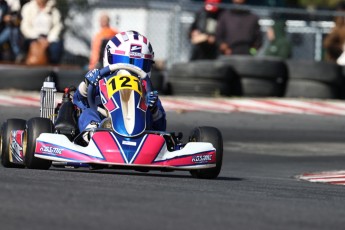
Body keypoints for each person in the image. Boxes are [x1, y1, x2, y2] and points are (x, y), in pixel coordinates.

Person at [73, 31, 166, 141]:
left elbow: (161, 127)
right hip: (104, 125)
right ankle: (93, 136)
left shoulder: (147, 90)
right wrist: (86, 84)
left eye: (139, 64)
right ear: (109, 58)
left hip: (140, 132)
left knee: (149, 115)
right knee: (88, 113)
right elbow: (78, 101)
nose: (130, 68)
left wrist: (153, 108)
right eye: (124, 61)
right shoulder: (101, 81)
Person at [20, 0, 63, 64]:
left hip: (49, 38)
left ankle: (52, 70)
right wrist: (38, 38)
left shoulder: (54, 10)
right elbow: (25, 26)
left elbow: (57, 26)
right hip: (32, 36)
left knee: (56, 48)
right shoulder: (27, 8)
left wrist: (49, 39)